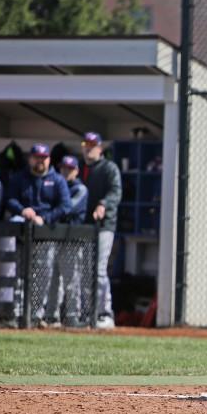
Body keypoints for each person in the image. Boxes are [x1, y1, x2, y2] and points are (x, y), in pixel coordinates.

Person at [5, 143, 72, 326]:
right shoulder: (20, 177)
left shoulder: (57, 180)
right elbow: (9, 199)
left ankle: (35, 315)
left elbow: (66, 206)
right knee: (17, 272)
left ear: (49, 159)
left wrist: (45, 218)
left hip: (45, 233)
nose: (40, 161)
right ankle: (16, 313)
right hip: (21, 233)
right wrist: (22, 210)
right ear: (30, 158)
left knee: (42, 274)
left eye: (43, 158)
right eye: (37, 157)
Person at [81, 132, 122, 329]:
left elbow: (116, 192)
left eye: (92, 145)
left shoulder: (108, 168)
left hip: (104, 225)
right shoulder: (81, 169)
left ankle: (105, 313)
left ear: (100, 148)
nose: (89, 148)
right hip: (84, 227)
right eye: (85, 144)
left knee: (98, 270)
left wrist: (103, 204)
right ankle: (87, 313)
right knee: (84, 271)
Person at [44, 156, 89, 327]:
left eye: (70, 169)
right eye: (63, 168)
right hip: (54, 237)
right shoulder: (55, 186)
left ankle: (72, 316)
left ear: (76, 171)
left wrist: (50, 212)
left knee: (71, 280)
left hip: (71, 238)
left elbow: (67, 208)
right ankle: (51, 316)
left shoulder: (80, 188)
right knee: (52, 279)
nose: (66, 172)